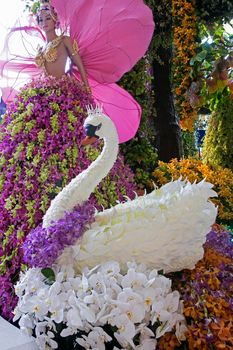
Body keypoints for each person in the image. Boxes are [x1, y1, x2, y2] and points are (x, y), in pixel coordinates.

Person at [0, 0, 154, 319]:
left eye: (47, 16)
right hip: (40, 98)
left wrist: (86, 95)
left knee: (79, 155)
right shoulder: (44, 45)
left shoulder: (65, 42)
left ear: (56, 18)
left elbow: (79, 69)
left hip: (69, 99)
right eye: (39, 17)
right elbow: (44, 72)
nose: (43, 20)